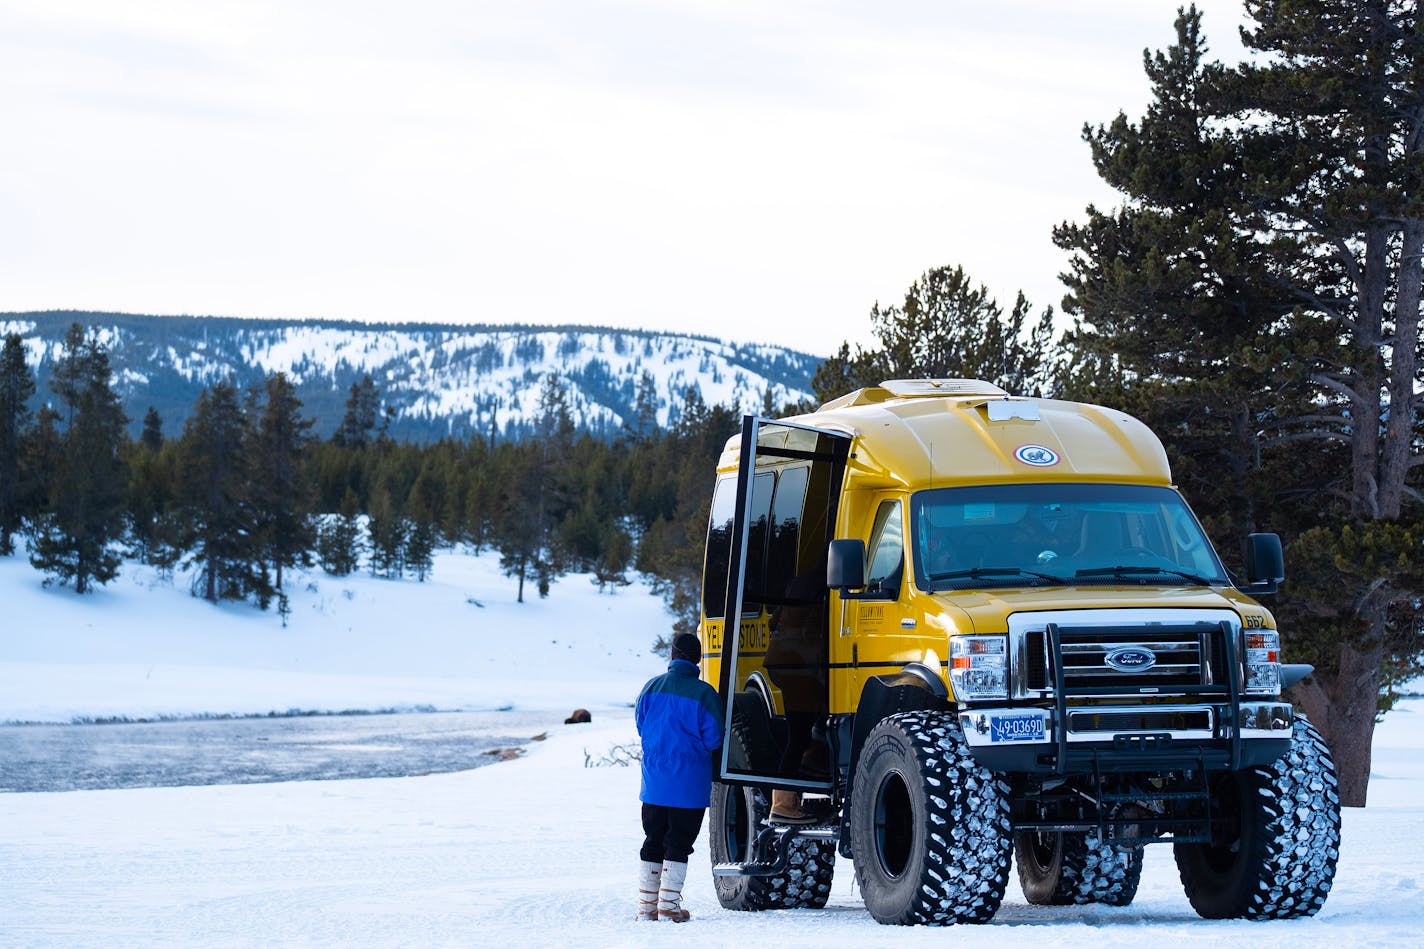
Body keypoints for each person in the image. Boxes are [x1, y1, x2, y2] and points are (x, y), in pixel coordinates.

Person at [634, 632, 724, 923]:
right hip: (689, 786)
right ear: (698, 659)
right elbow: (714, 738)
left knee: (652, 840)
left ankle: (646, 908)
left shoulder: (651, 687)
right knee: (678, 843)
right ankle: (669, 906)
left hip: (654, 784)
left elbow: (641, 725)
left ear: (671, 655)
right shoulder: (705, 694)